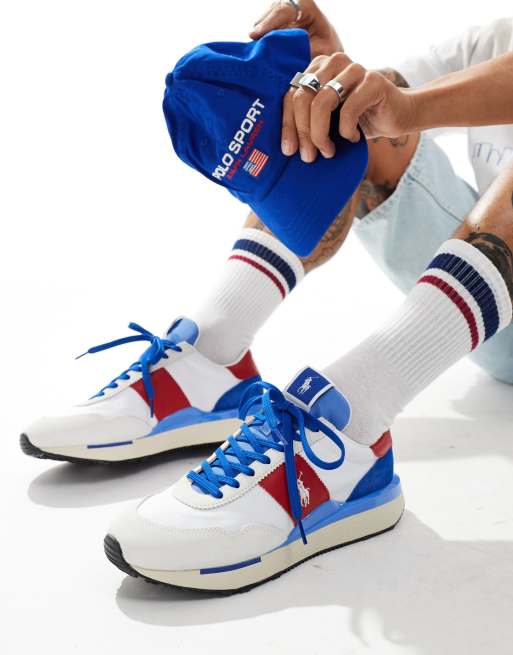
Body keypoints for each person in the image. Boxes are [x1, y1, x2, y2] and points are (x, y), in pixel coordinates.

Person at [24, 1, 513, 593]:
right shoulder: (495, 38)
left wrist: (408, 106)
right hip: (495, 316)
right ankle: (213, 356)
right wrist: (336, 83)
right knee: (339, 125)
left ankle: (353, 418)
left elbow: (413, 105)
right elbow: (385, 109)